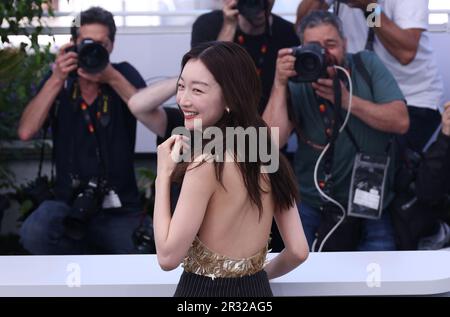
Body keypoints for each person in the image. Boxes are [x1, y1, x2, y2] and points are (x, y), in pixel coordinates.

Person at [154, 41, 308, 297]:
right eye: (181, 87)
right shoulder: (266, 150)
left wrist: (163, 175)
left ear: (230, 98)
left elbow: (168, 257)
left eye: (198, 91)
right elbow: (299, 251)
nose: (183, 100)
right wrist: (252, 280)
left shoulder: (205, 164)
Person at [263, 11, 409, 251]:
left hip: (371, 199)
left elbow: (400, 121)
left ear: (345, 44)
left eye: (330, 44)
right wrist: (279, 84)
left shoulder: (365, 64)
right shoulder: (297, 79)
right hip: (312, 202)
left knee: (380, 283)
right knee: (304, 279)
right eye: (313, 46)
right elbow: (269, 144)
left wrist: (345, 100)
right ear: (301, 49)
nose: (324, 54)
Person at [17, 7, 148, 254]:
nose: (94, 49)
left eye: (101, 43)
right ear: (74, 45)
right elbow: (26, 132)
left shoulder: (123, 74)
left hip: (118, 207)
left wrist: (112, 78)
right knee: (35, 232)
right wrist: (56, 78)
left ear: (111, 46)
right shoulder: (61, 81)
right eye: (87, 43)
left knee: (141, 252)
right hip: (68, 204)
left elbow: (151, 116)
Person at [296, 0, 444, 153]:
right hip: (358, 95)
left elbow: (405, 54)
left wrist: (369, 8)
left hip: (412, 99)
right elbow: (301, 27)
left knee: (388, 165)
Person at [191, 0, 300, 113]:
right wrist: (229, 26)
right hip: (219, 116)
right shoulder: (208, 25)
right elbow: (202, 79)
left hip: (267, 119)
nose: (260, 5)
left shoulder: (289, 33)